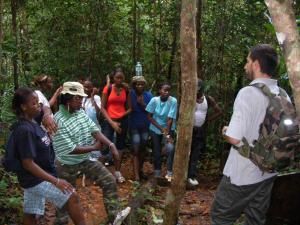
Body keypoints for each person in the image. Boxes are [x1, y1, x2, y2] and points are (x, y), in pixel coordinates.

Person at [210, 44, 284, 225]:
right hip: (268, 171)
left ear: (256, 64)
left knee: (220, 217)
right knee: (255, 219)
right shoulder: (282, 94)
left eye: (247, 61)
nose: (245, 65)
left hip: (242, 173)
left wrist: (226, 131)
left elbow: (234, 137)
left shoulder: (248, 93)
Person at [52, 81, 130, 225]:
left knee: (109, 180)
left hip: (84, 160)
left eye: (82, 98)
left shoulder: (80, 112)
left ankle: (114, 217)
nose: (81, 101)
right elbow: (70, 148)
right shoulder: (57, 120)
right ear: (68, 98)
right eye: (78, 98)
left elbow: (94, 130)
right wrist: (94, 148)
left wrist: (110, 144)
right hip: (65, 164)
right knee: (64, 200)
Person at [7, 87, 86, 225]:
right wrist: (55, 181)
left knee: (31, 214)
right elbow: (28, 163)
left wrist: (46, 114)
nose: (38, 105)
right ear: (23, 107)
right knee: (71, 196)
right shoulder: (24, 130)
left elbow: (46, 109)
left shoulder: (34, 122)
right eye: (33, 103)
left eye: (38, 102)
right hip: (35, 180)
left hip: (37, 178)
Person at [187, 79, 222, 186]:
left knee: (195, 153)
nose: (196, 89)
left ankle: (191, 176)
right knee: (186, 152)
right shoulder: (189, 98)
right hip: (189, 129)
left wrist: (208, 120)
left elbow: (219, 111)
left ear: (201, 88)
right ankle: (183, 173)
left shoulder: (208, 99)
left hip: (200, 130)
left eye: (198, 87)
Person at [101, 67, 132, 183]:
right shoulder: (108, 88)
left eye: (121, 78)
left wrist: (121, 116)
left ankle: (117, 173)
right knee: (105, 145)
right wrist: (112, 122)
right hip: (109, 120)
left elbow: (130, 108)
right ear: (113, 78)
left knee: (120, 146)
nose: (119, 80)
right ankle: (101, 174)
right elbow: (102, 108)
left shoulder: (126, 90)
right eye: (117, 77)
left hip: (122, 120)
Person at [146, 82, 177, 182]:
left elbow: (170, 118)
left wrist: (166, 133)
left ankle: (169, 173)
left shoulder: (173, 101)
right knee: (156, 150)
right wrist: (160, 128)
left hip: (168, 128)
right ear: (160, 90)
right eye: (164, 90)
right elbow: (149, 116)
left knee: (170, 148)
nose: (166, 92)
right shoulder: (154, 100)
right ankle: (157, 172)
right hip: (155, 128)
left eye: (168, 90)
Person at [129, 76, 153, 181]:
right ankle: (136, 176)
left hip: (145, 126)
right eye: (137, 84)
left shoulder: (149, 95)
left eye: (142, 84)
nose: (140, 86)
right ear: (134, 85)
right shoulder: (131, 94)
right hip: (134, 125)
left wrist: (143, 104)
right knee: (135, 149)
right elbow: (129, 107)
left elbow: (152, 111)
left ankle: (140, 170)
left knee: (142, 149)